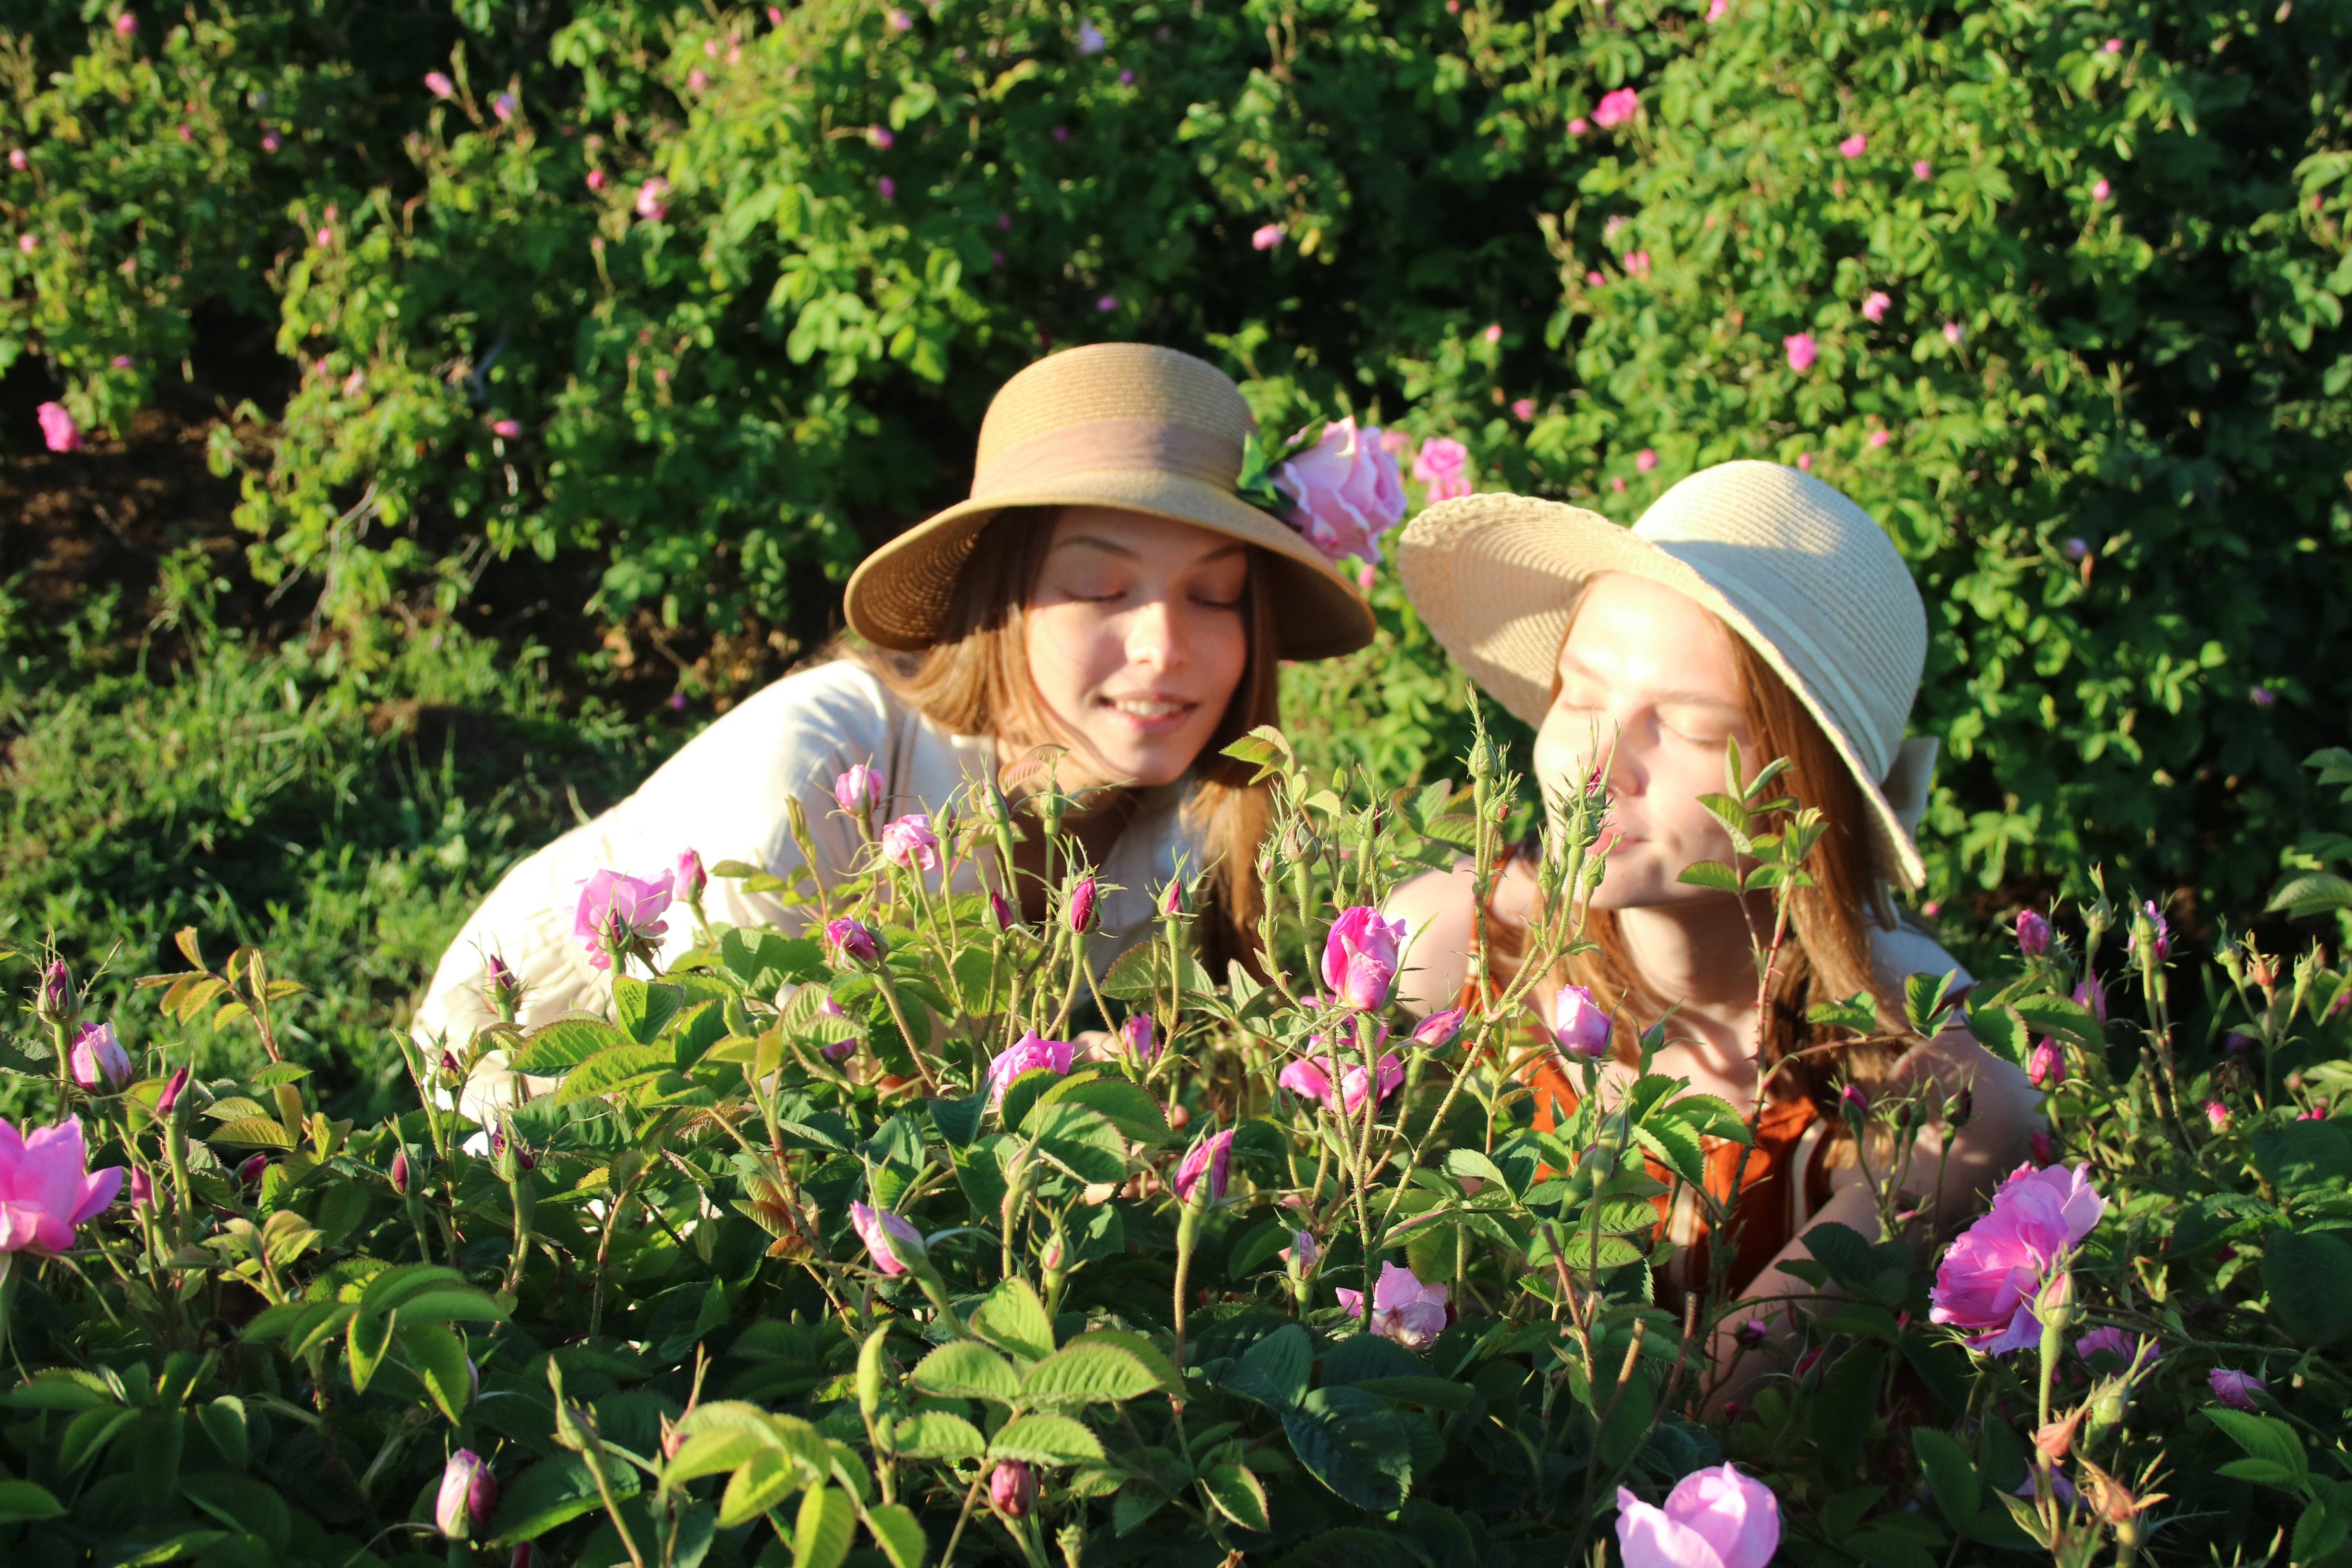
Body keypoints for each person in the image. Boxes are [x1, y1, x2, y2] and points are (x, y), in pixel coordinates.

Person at [412, 342, 1380, 1050]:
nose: (1166, 644)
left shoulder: (1176, 829)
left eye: (1213, 596)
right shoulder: (823, 766)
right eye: (1099, 587)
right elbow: (722, 1101)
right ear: (1001, 600)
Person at [1385, 461, 2034, 1376]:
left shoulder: (1938, 1084)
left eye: (1687, 726)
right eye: (1580, 692)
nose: (1596, 762)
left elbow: (1705, 1410)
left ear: (1803, 788)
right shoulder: (1461, 943)